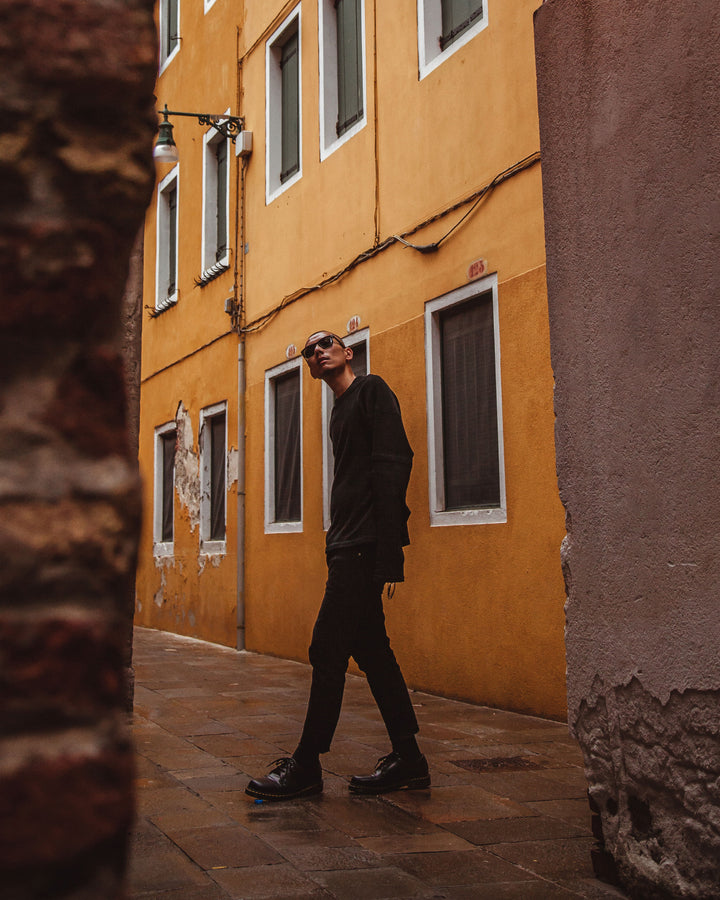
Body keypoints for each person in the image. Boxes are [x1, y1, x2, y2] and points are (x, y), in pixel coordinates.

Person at [245, 330, 429, 801]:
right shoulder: (338, 412)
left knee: (327, 649)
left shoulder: (372, 390)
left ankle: (306, 764)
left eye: (326, 342)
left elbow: (394, 462)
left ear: (348, 353)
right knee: (372, 652)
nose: (317, 350)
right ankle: (409, 759)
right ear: (308, 368)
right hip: (346, 543)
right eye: (309, 350)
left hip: (364, 545)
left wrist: (389, 548)